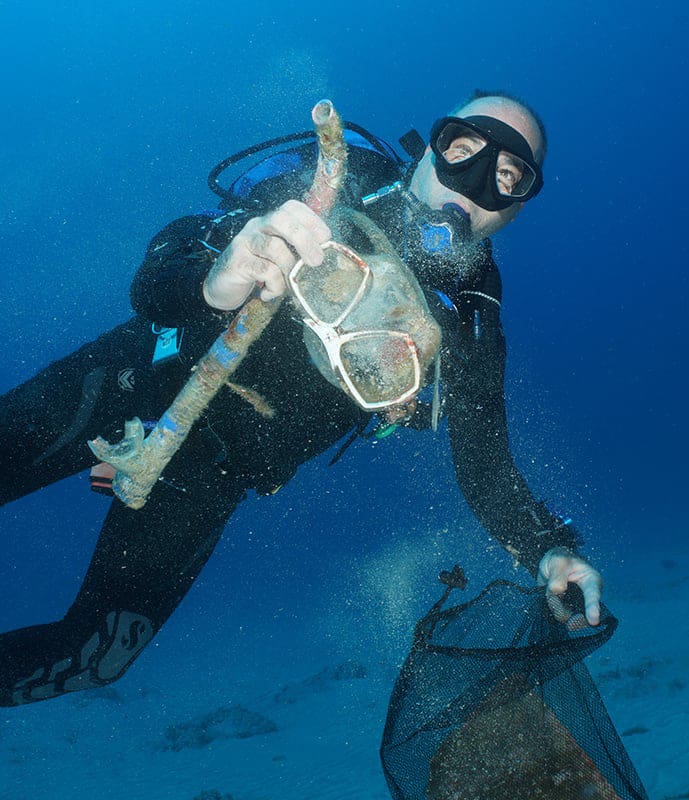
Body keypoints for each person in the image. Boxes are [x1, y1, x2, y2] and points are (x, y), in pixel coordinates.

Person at [0, 90, 603, 707]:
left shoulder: (470, 317)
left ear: (515, 210)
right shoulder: (336, 186)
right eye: (464, 149)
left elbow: (486, 468)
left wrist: (549, 551)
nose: (474, 183)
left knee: (96, 658)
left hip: (213, 467)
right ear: (428, 149)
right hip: (139, 375)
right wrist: (217, 276)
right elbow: (155, 278)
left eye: (507, 176)